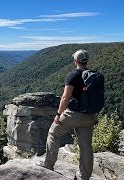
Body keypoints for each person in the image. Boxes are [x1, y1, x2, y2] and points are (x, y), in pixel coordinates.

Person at [38, 49, 98, 180]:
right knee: (86, 146)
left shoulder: (73, 75)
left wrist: (58, 114)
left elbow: (65, 97)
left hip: (73, 114)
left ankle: (48, 165)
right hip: (90, 116)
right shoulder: (94, 75)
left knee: (53, 133)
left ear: (75, 61)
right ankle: (84, 176)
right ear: (86, 61)